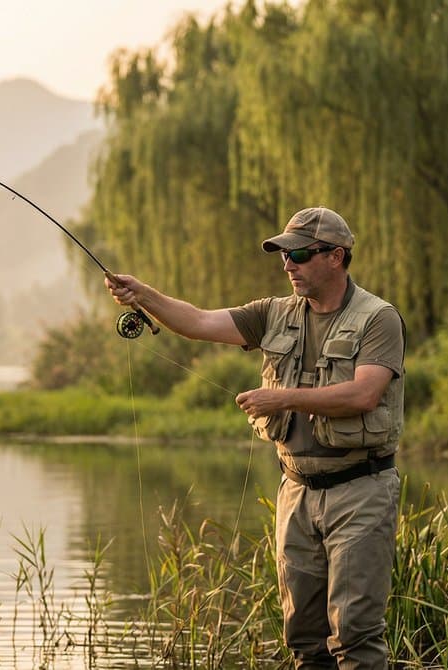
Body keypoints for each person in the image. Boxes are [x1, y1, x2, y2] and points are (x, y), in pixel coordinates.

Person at [106, 206, 404, 669]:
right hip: (296, 491)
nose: (289, 265)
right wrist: (142, 295)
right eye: (285, 256)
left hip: (361, 490)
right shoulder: (272, 313)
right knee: (304, 638)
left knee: (356, 638)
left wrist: (282, 398)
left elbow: (365, 394)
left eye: (301, 254)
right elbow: (199, 322)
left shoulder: (377, 318)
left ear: (336, 257)